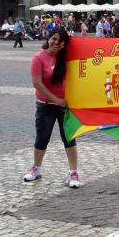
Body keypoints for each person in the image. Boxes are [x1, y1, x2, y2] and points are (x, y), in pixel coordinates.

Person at [24, 28, 81, 188]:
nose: (56, 42)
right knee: (42, 137)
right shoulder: (38, 58)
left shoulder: (67, 57)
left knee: (69, 138)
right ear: (48, 38)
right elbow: (37, 84)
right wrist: (56, 100)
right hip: (46, 105)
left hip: (66, 106)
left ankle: (74, 172)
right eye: (53, 39)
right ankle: (36, 168)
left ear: (64, 44)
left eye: (60, 40)